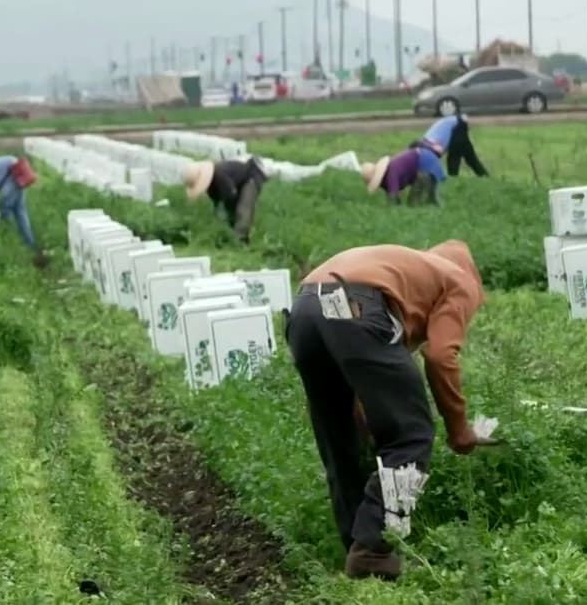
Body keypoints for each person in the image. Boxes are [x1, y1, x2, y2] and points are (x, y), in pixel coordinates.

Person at [285, 240, 490, 580]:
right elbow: (441, 356)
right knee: (412, 435)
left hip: (305, 308)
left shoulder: (408, 272)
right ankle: (374, 546)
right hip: (353, 305)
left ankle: (357, 544)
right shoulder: (459, 279)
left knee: (339, 437)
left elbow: (353, 349)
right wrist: (459, 430)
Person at [181, 158, 267, 244]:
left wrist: (228, 212)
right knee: (231, 214)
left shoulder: (219, 175)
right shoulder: (211, 185)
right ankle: (232, 236)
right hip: (236, 185)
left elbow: (231, 194)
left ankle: (240, 241)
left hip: (250, 178)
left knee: (243, 210)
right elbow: (216, 201)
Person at [360, 148, 446, 206]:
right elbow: (392, 193)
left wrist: (392, 208)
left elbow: (393, 196)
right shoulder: (388, 175)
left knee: (413, 203)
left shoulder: (391, 175)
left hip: (425, 164)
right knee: (431, 198)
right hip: (425, 159)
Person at [414, 114, 488, 178]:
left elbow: (435, 160)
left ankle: (453, 179)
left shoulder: (430, 145)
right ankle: (485, 176)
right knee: (471, 159)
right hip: (457, 123)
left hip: (457, 126)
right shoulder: (427, 139)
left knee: (454, 158)